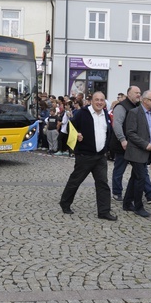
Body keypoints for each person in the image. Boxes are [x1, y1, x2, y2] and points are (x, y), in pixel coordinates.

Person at [59, 91, 116, 220]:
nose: (99, 102)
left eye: (102, 100)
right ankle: (65, 203)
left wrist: (106, 148)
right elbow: (69, 127)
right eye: (97, 100)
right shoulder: (82, 113)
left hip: (100, 156)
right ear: (91, 101)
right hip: (85, 156)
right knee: (76, 180)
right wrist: (77, 134)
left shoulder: (105, 114)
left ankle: (104, 212)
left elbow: (108, 132)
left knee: (103, 184)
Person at [123, 90, 151, 218]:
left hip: (146, 152)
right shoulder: (134, 112)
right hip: (136, 152)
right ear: (144, 100)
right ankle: (138, 206)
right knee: (141, 178)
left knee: (134, 178)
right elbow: (130, 133)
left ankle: (127, 203)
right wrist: (144, 144)